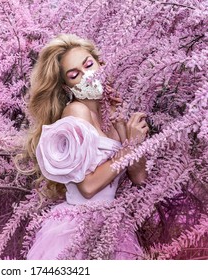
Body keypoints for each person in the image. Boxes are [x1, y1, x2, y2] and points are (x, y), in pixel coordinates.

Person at [18, 34, 149, 259]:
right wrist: (130, 148)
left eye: (89, 64)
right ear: (67, 86)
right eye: (74, 74)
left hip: (112, 225)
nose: (87, 75)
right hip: (77, 227)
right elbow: (87, 188)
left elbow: (139, 178)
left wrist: (126, 132)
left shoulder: (110, 115)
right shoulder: (76, 113)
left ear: (100, 63)